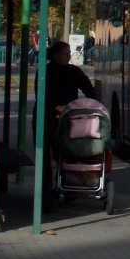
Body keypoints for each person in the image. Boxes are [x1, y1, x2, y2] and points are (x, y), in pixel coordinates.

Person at [39, 41, 99, 202]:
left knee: (68, 152)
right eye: (65, 53)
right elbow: (42, 94)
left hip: (69, 119)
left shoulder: (74, 71)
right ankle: (46, 190)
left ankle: (67, 184)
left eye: (69, 53)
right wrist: (56, 107)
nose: (68, 56)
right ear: (56, 55)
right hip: (48, 118)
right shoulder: (46, 71)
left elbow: (89, 89)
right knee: (46, 154)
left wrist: (91, 106)